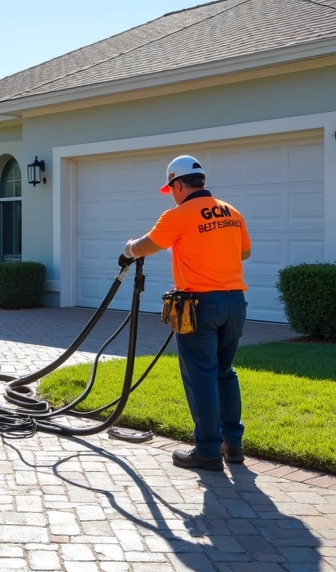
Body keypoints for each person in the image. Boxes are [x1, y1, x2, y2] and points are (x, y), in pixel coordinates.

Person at [120, 155, 251, 471]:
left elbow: (148, 245)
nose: (173, 194)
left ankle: (207, 450)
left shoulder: (178, 215)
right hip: (235, 303)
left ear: (178, 184)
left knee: (201, 376)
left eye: (172, 189)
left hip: (200, 306)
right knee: (224, 372)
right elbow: (244, 251)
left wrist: (127, 250)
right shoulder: (231, 212)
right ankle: (232, 445)